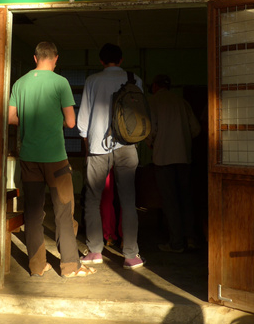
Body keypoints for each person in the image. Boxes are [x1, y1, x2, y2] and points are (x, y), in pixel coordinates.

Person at [8, 42, 96, 278]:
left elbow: (10, 117)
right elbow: (70, 122)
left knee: (33, 215)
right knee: (64, 213)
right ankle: (70, 266)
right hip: (56, 160)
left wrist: (29, 122)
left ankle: (37, 267)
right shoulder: (61, 82)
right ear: (55, 58)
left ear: (35, 58)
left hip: (29, 158)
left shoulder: (20, 83)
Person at [77, 43, 145, 269]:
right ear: (122, 59)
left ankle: (95, 251)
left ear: (101, 60)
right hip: (127, 145)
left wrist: (86, 145)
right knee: (128, 201)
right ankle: (131, 255)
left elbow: (83, 122)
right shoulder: (134, 79)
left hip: (98, 146)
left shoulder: (92, 80)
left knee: (93, 200)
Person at [146, 74, 201, 252]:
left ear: (155, 86)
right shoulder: (182, 102)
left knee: (170, 201)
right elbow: (196, 129)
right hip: (184, 157)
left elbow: (150, 130)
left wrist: (152, 143)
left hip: (163, 158)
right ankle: (190, 238)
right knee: (186, 198)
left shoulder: (153, 102)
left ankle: (176, 243)